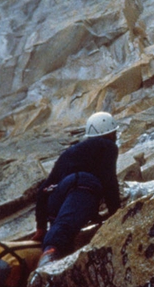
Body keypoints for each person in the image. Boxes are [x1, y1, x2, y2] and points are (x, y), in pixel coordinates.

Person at [33, 111, 123, 267]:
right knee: (88, 186)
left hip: (56, 198)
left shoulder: (70, 152)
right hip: (81, 186)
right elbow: (110, 182)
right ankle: (49, 255)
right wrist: (118, 214)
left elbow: (43, 190)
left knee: (65, 228)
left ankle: (51, 247)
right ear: (110, 133)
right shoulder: (108, 146)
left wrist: (41, 228)